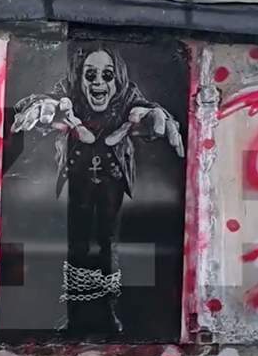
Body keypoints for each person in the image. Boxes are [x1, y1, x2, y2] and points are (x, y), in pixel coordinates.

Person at [10, 44, 184, 336]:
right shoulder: (68, 91)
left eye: (107, 75)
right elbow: (45, 100)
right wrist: (41, 105)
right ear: (80, 77)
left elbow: (151, 110)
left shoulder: (128, 94)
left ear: (118, 78)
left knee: (107, 244)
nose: (99, 83)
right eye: (90, 75)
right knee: (76, 243)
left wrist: (155, 115)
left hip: (112, 181)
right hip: (79, 178)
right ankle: (75, 312)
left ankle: (107, 311)